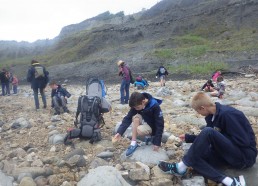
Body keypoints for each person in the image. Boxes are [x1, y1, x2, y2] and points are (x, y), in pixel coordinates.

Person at [158, 92, 257, 186]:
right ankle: (229, 181)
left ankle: (180, 167)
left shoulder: (228, 114)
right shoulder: (211, 117)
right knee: (193, 157)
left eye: (197, 111)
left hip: (244, 157)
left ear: (202, 108)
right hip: (228, 154)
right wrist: (189, 138)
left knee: (208, 131)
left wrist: (218, 141)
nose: (198, 113)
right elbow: (213, 137)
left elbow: (244, 141)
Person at [113, 92, 164, 157]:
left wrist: (157, 143)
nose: (136, 109)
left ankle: (150, 137)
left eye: (137, 107)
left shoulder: (154, 106)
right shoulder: (137, 102)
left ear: (143, 101)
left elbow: (160, 124)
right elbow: (128, 118)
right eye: (135, 108)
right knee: (136, 118)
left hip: (153, 127)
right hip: (145, 122)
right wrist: (119, 132)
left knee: (139, 130)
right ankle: (133, 143)